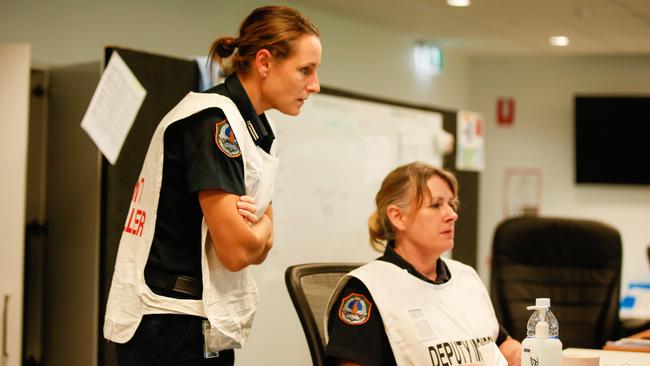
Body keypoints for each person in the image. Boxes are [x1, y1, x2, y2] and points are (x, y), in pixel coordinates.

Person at [103, 5, 321, 366]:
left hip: (205, 318)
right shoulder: (211, 121)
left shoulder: (259, 129)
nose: (314, 85)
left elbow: (262, 247)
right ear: (264, 62)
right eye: (305, 70)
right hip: (167, 321)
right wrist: (263, 226)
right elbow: (238, 251)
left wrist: (260, 231)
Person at [324, 162, 521, 366]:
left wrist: (519, 352)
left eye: (451, 204)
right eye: (436, 205)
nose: (452, 215)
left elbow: (499, 342)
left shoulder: (465, 277)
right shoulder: (367, 289)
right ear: (398, 217)